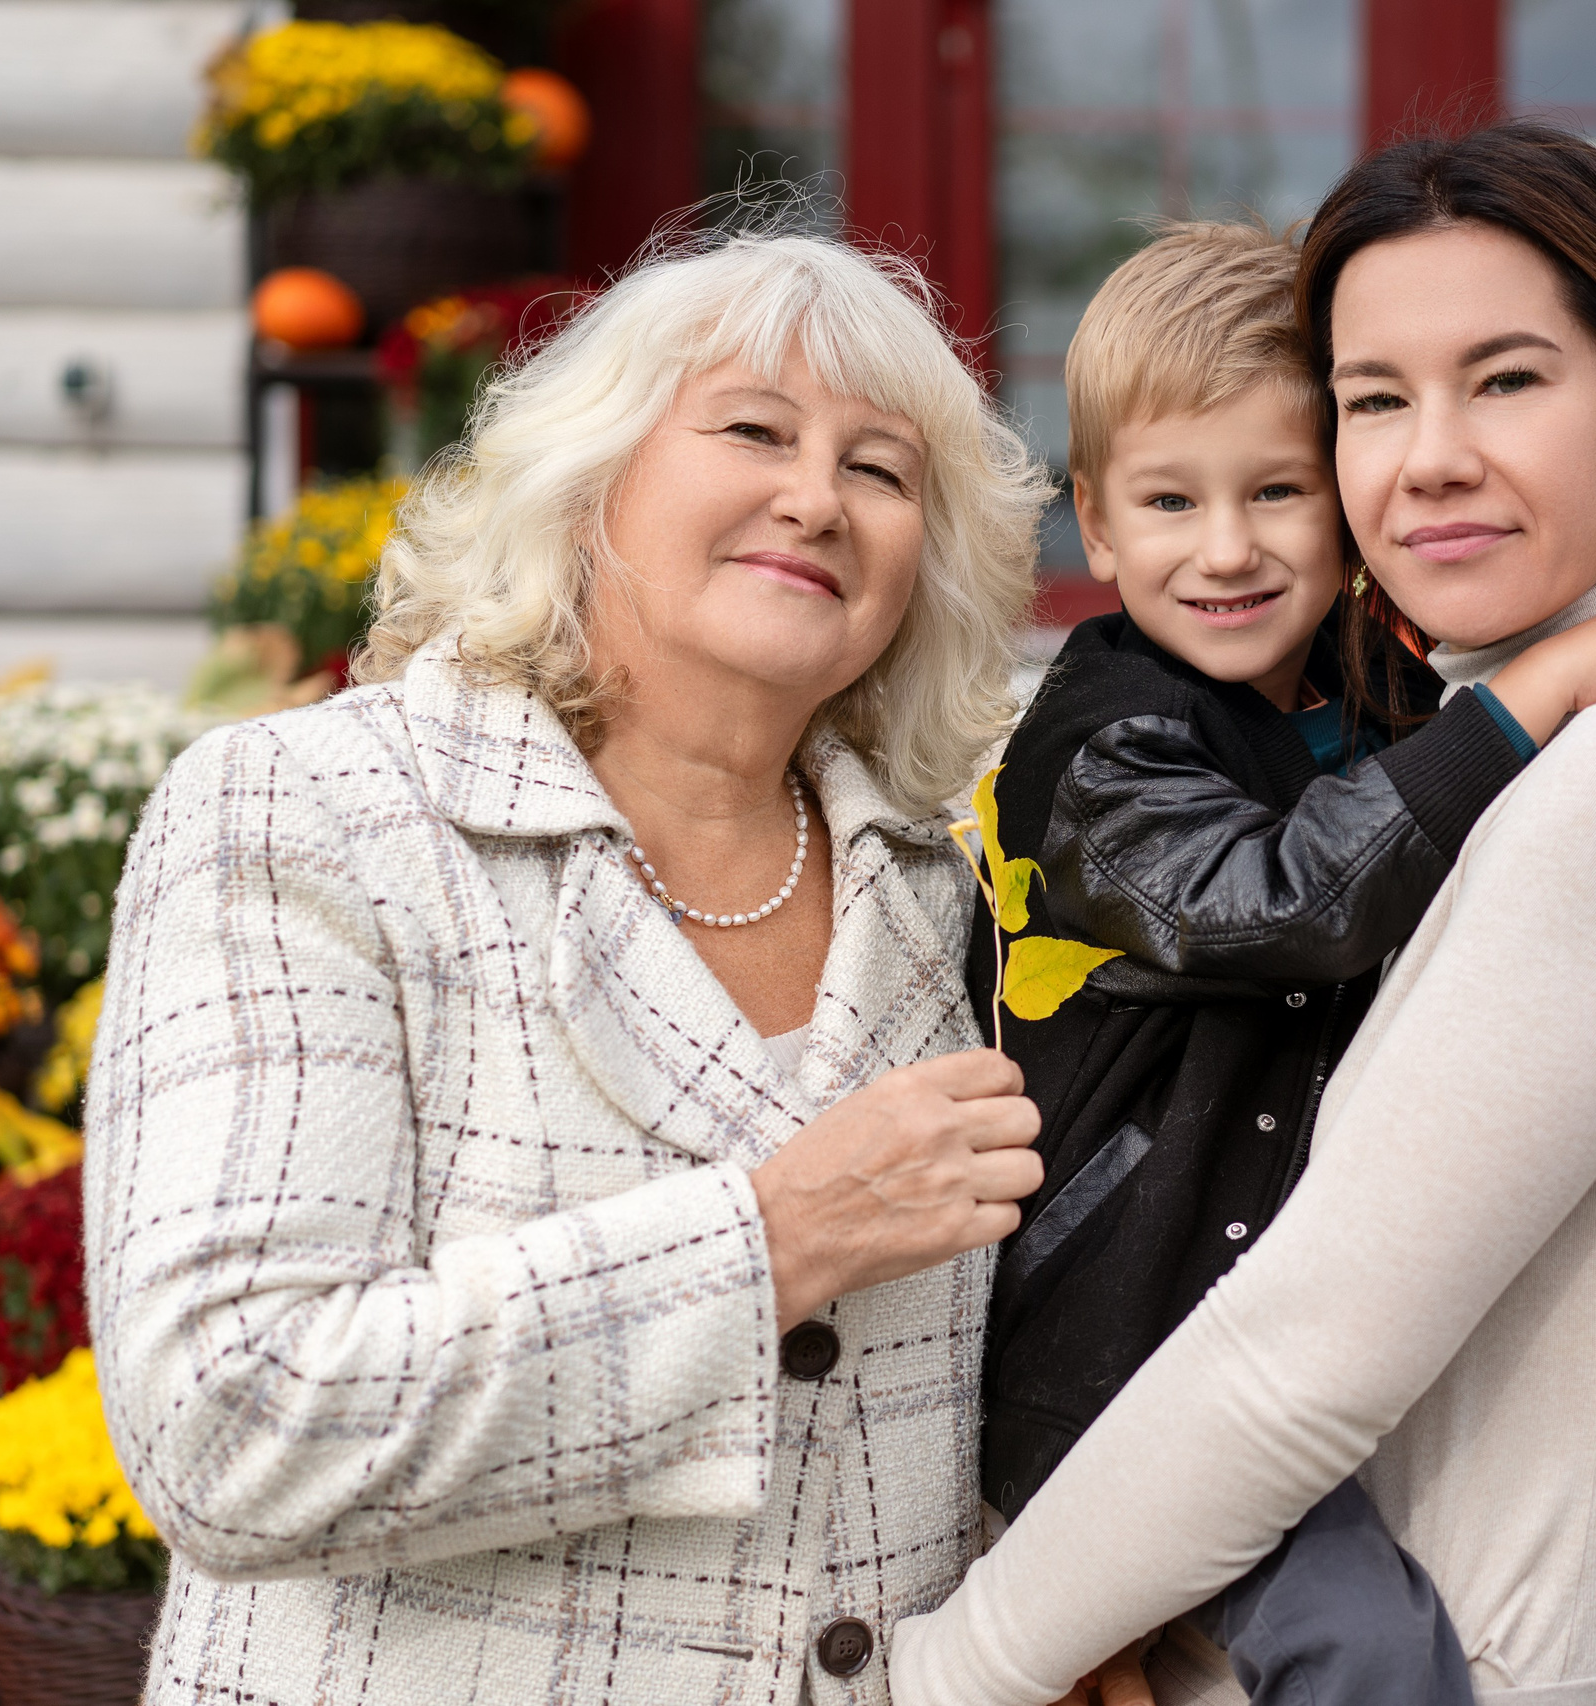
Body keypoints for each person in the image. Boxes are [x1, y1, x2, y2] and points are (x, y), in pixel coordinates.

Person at [892, 123, 1596, 1706]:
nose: (1427, 454)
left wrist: (951, 1675)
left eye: (1506, 380)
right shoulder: (1528, 739)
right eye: (1375, 399)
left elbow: (1300, 1356)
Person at [84, 233, 1054, 1706]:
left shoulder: (952, 894)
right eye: (753, 430)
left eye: (883, 470)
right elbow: (234, 1422)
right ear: (590, 478)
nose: (817, 496)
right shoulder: (312, 814)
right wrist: (768, 1241)